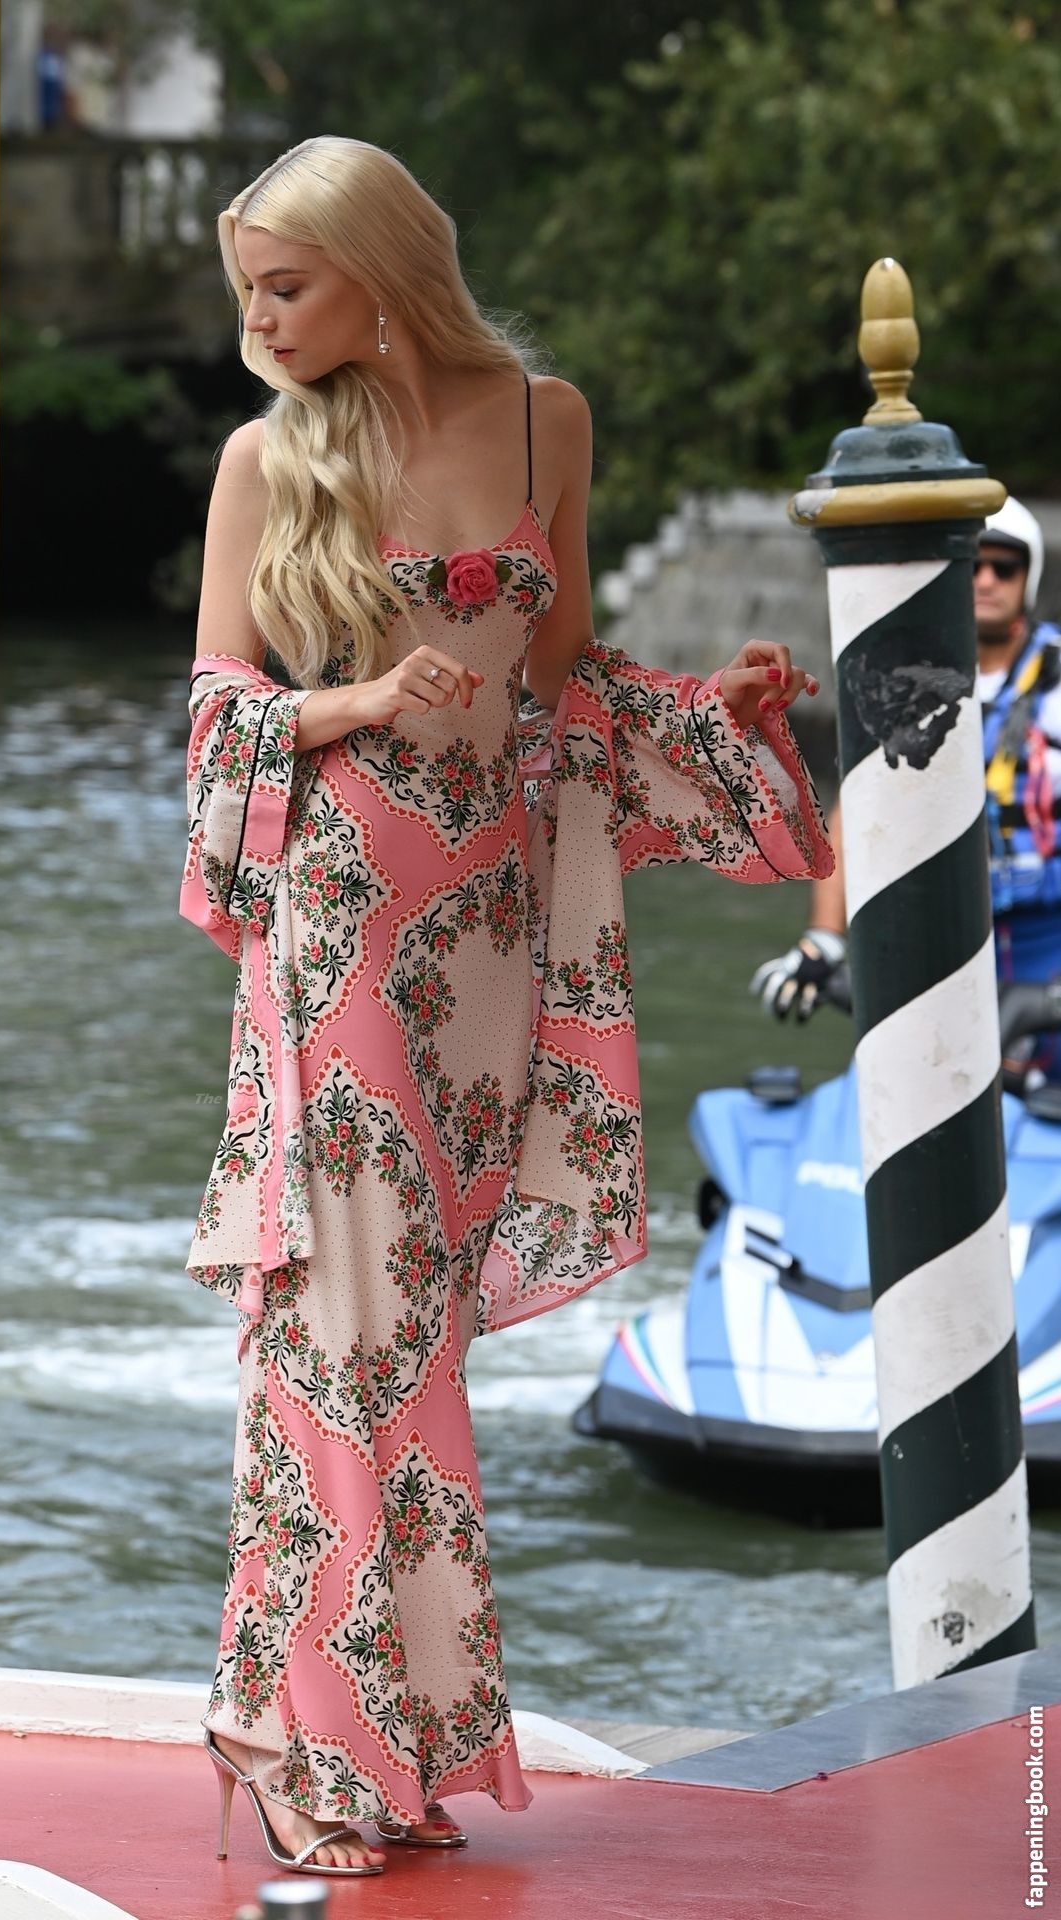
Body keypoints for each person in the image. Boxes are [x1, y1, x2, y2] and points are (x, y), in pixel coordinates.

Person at [179, 135, 833, 1878]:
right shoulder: (267, 457)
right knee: (342, 1333)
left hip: (485, 946)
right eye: (249, 290)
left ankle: (383, 1740)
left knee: (413, 1350)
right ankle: (304, 1745)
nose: (259, 320)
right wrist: (351, 703)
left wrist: (714, 709)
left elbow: (564, 684)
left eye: (286, 285)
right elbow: (220, 714)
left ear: (383, 270)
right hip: (334, 937)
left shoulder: (549, 423)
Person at [751, 496, 1061, 1026]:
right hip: (942, 925)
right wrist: (824, 938)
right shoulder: (906, 682)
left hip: (1048, 932)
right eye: (973, 565)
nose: (987, 580)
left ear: (1027, 578)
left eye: (1005, 567)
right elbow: (859, 806)